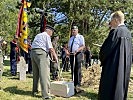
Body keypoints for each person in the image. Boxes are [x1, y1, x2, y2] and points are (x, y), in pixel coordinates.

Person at [98, 11, 132, 100]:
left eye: (111, 20)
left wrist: (102, 57)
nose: (111, 23)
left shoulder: (116, 32)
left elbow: (105, 50)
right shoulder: (128, 33)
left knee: (110, 90)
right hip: (124, 67)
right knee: (121, 87)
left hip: (112, 67)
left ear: (116, 20)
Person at [31, 25, 58, 100]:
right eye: (52, 32)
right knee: (44, 74)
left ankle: (34, 91)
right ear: (49, 31)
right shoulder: (46, 36)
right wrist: (56, 58)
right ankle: (46, 95)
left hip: (33, 53)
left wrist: (51, 56)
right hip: (41, 54)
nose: (52, 34)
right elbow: (51, 48)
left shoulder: (38, 35)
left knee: (36, 73)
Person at [67, 25, 85, 93]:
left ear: (77, 31)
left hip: (78, 54)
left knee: (78, 69)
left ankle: (78, 84)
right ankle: (73, 82)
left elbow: (83, 46)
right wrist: (68, 52)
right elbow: (69, 46)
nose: (73, 31)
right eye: (72, 30)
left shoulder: (80, 37)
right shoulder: (71, 38)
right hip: (71, 54)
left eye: (74, 30)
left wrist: (77, 50)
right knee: (72, 68)